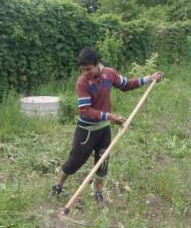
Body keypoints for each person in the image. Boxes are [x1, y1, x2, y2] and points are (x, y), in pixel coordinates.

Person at [51, 47, 163, 208]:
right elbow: (85, 111)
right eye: (83, 70)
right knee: (75, 161)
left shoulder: (109, 74)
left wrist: (148, 78)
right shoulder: (82, 82)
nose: (86, 73)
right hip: (86, 130)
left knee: (102, 162)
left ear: (98, 64)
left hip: (104, 130)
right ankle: (58, 185)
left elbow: (126, 84)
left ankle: (98, 192)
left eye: (89, 69)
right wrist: (110, 116)